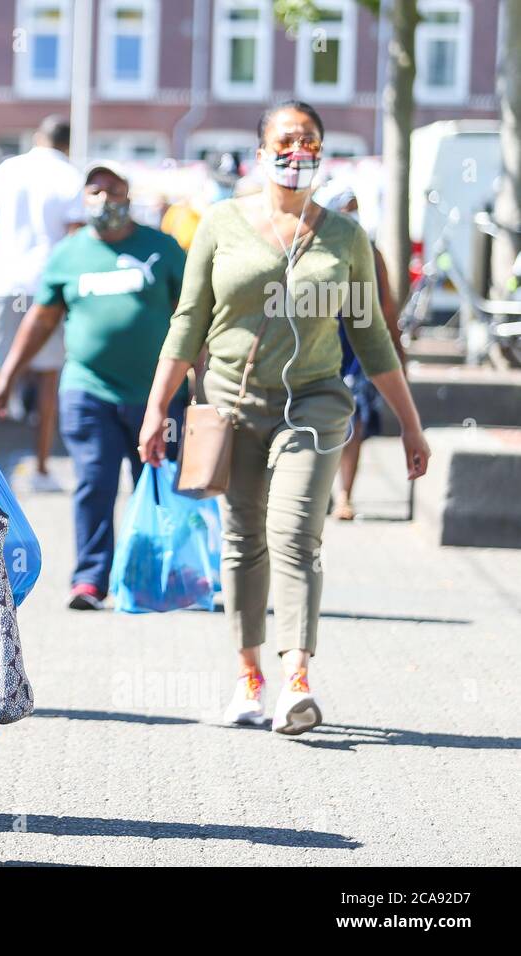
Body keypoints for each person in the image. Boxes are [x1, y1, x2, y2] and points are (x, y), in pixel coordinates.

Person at [139, 101, 430, 735]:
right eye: (285, 139)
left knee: (296, 534)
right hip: (235, 404)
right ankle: (249, 678)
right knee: (243, 540)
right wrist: (158, 406)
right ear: (261, 148)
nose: (297, 152)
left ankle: (296, 678)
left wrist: (410, 423)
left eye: (309, 141)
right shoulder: (221, 223)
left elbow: (373, 336)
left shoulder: (346, 237)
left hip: (316, 406)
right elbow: (188, 321)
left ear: (323, 154)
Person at [0, 161, 188, 611]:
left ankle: (149, 576)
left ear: (128, 195)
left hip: (156, 395)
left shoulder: (163, 249)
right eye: (94, 191)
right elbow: (41, 319)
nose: (103, 200)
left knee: (152, 483)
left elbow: (192, 314)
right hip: (88, 387)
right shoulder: (69, 253)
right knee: (94, 479)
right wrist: (6, 377)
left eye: (112, 190)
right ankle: (91, 579)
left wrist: (205, 376)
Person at [0, 115, 84, 492]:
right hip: (47, 288)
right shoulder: (71, 176)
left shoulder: (7, 169)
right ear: (66, 144)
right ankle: (40, 466)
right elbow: (74, 246)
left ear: (37, 137)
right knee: (49, 374)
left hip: (4, 284)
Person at [311, 179, 407, 521]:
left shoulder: (369, 251)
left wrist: (397, 352)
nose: (350, 216)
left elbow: (386, 307)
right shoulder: (308, 248)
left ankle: (344, 495)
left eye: (354, 209)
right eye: (344, 209)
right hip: (314, 347)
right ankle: (315, 489)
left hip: (355, 351)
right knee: (314, 422)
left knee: (352, 422)